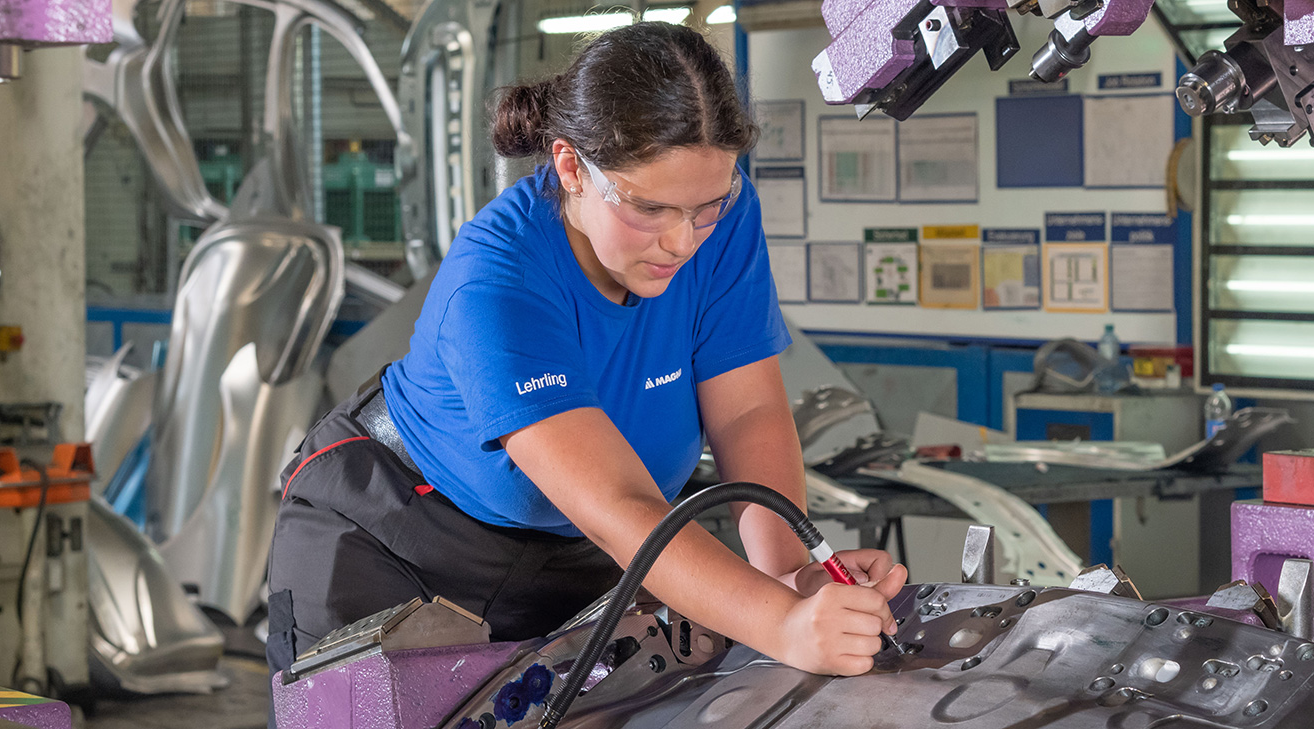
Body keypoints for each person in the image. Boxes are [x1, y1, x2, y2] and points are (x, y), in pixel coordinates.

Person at [264, 22, 906, 679]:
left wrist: (793, 578)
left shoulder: (724, 221)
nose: (683, 242)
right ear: (572, 166)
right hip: (397, 537)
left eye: (705, 206)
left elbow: (748, 415)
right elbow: (620, 506)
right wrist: (781, 625)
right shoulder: (496, 280)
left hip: (580, 547)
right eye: (650, 208)